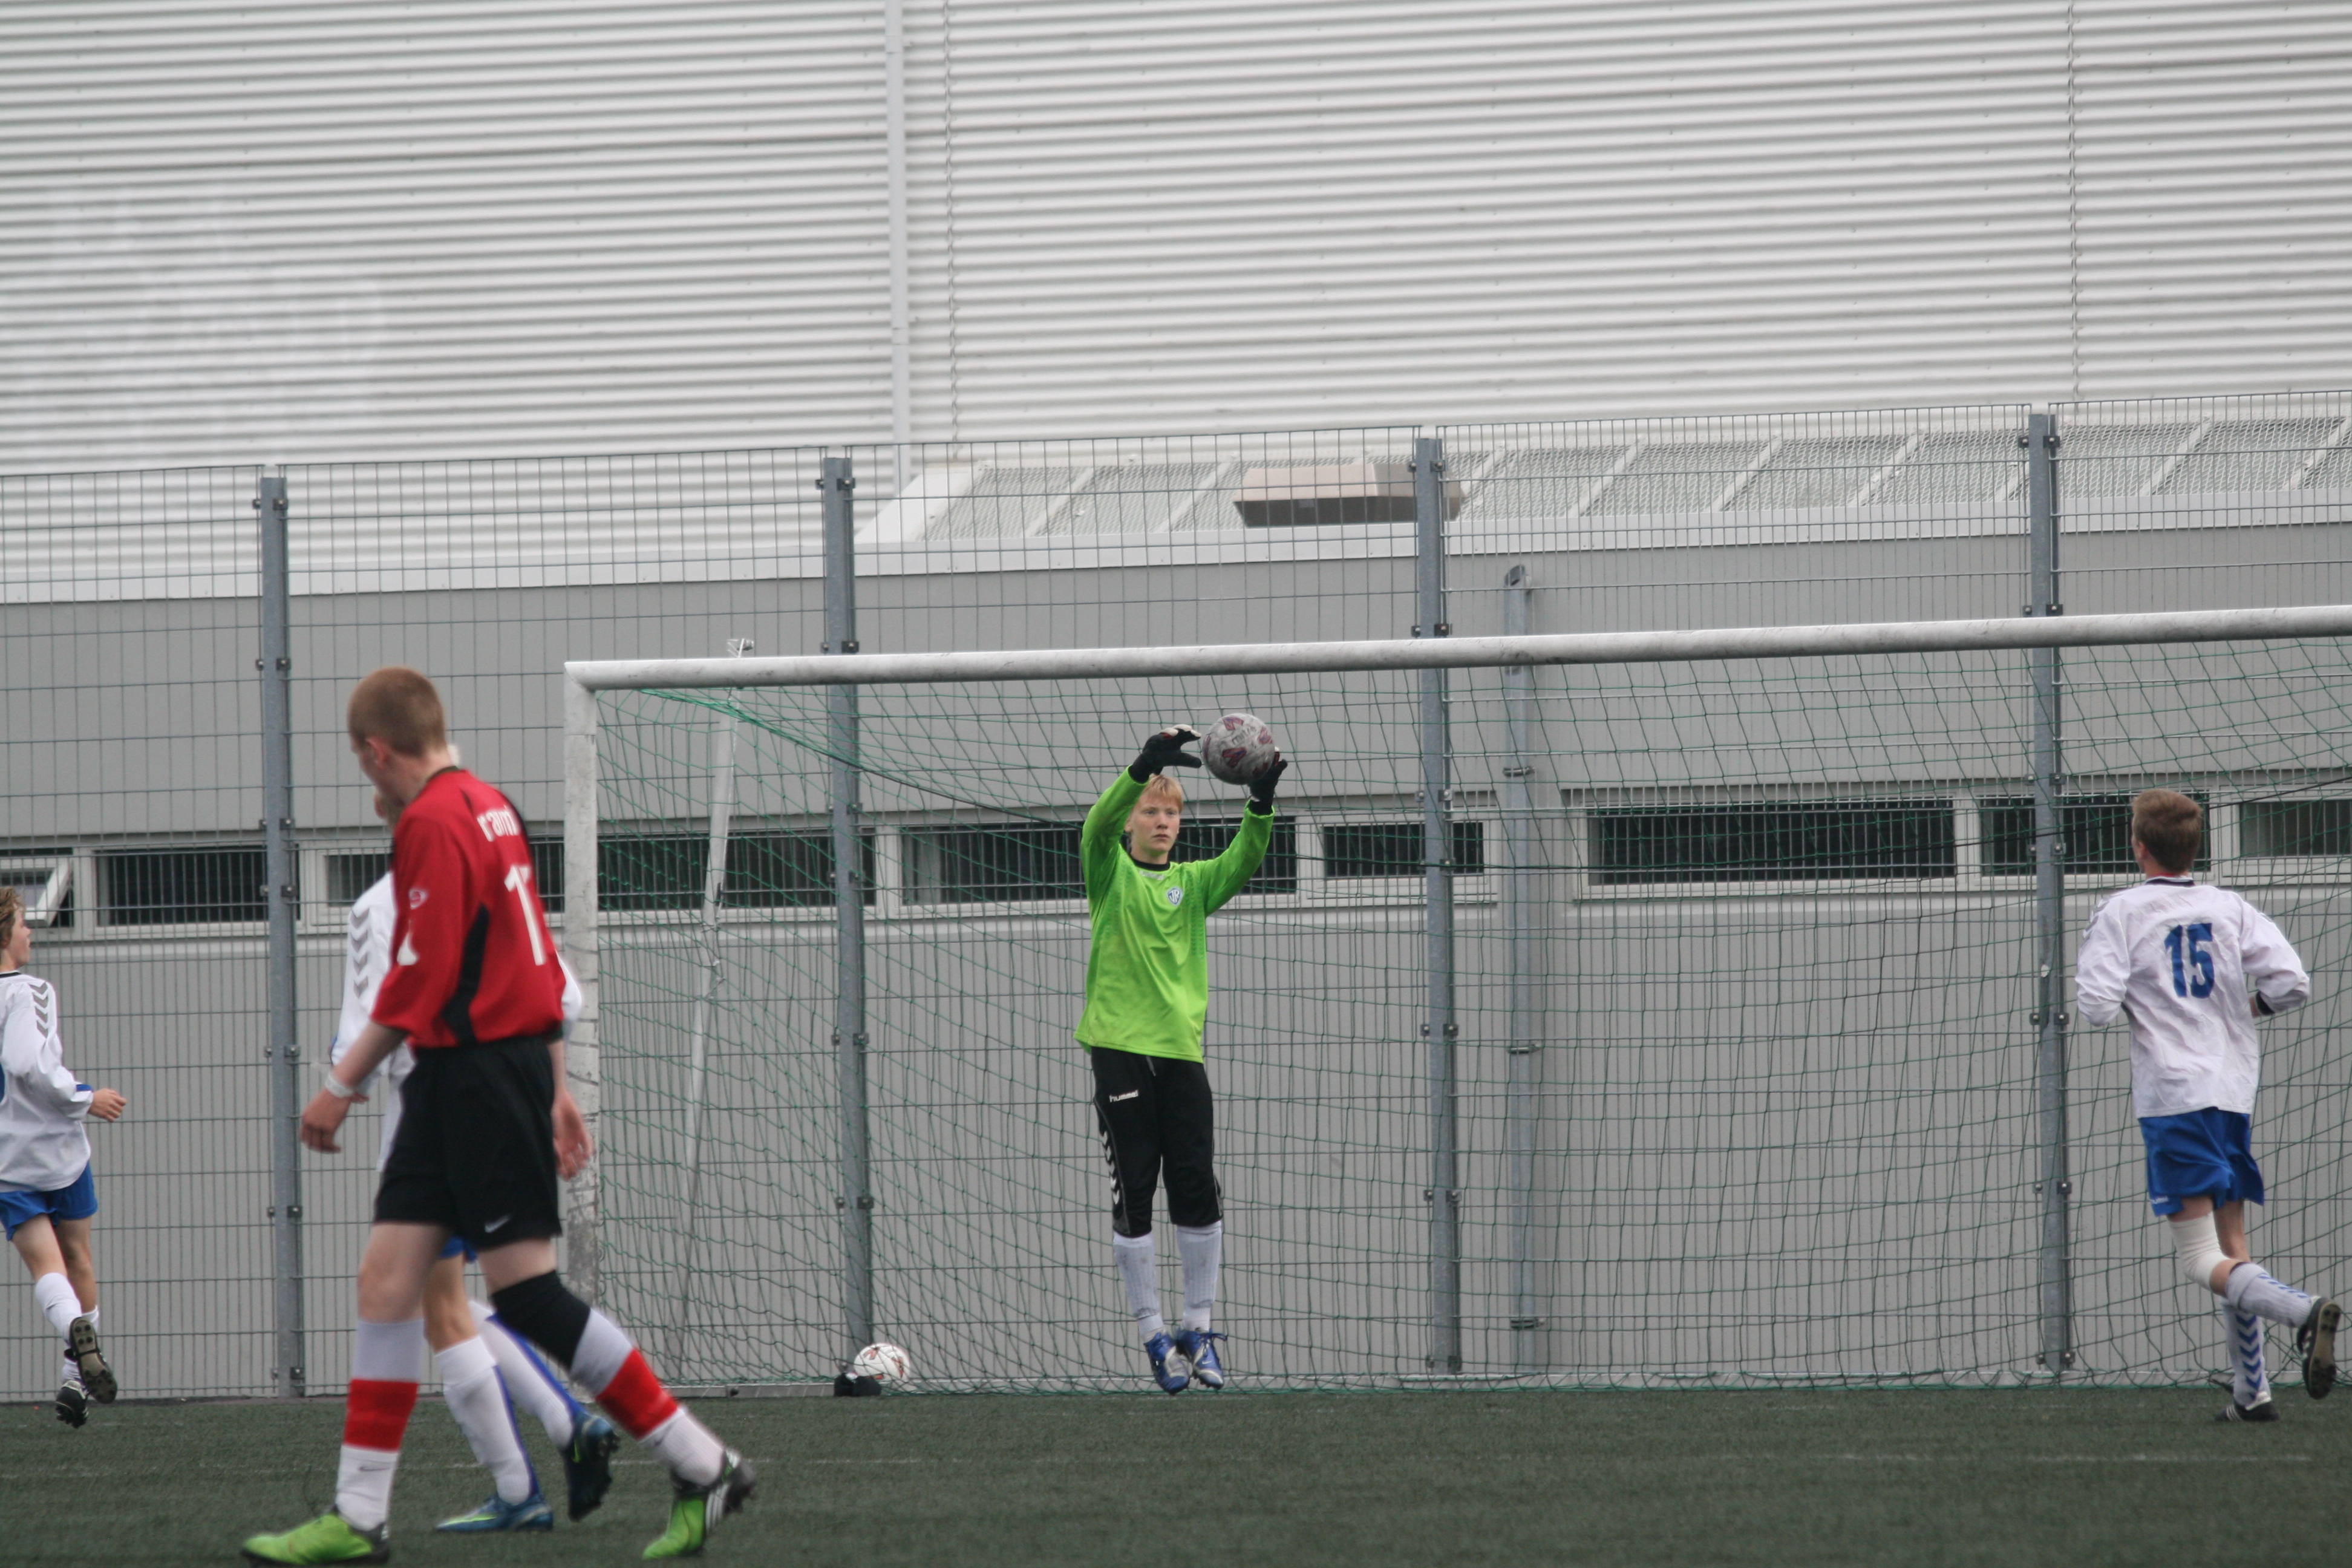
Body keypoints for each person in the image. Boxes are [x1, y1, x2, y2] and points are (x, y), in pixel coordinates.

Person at [243, 668, 751, 1566]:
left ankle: (702, 1463)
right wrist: (555, 1087)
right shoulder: (490, 806)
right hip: (458, 1080)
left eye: (360, 761)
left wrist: (340, 1085)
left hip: (476, 1076)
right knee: (387, 1284)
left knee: (526, 1295)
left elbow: (423, 980)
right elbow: (534, 958)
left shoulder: (434, 821)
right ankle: (358, 1517)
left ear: (376, 751)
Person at [327, 786, 619, 1534]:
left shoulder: (378, 907)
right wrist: (550, 1091)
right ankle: (562, 1435)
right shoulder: (498, 885)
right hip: (505, 1110)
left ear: (387, 812)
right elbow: (563, 998)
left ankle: (531, 1471)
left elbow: (367, 1033)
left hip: (429, 1124)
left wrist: (336, 1087)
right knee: (459, 1300)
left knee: (435, 1304)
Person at [2076, 788, 2336, 1422]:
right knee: (2231, 1243)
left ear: (2139, 847)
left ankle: (2303, 1311)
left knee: (2199, 1258)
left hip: (2174, 1096)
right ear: (2196, 846)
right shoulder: (2230, 906)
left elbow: (2096, 1007)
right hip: (2231, 1092)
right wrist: (2241, 1009)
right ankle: (2253, 1393)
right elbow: (2292, 984)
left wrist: (2144, 998)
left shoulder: (2122, 910)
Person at [1077, 724, 1285, 1394]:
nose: (1162, 821)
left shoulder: (1193, 885)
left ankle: (1198, 1329)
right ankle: (1153, 1333)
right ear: (1131, 823)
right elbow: (1095, 825)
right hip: (1120, 1051)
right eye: (1151, 812)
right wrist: (1142, 767)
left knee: (1196, 1186)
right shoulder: (1109, 872)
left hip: (1181, 1055)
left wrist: (1260, 804)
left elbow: (1244, 860)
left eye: (1171, 813)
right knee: (1136, 1192)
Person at [0, 885, 128, 1428]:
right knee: (78, 1258)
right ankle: (76, 1371)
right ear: (5, 935)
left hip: (6, 1161)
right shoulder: (30, 990)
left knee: (45, 1268)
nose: (30, 933)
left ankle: (76, 1366)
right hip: (57, 1149)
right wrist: (84, 1097)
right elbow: (27, 1062)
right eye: (24, 924)